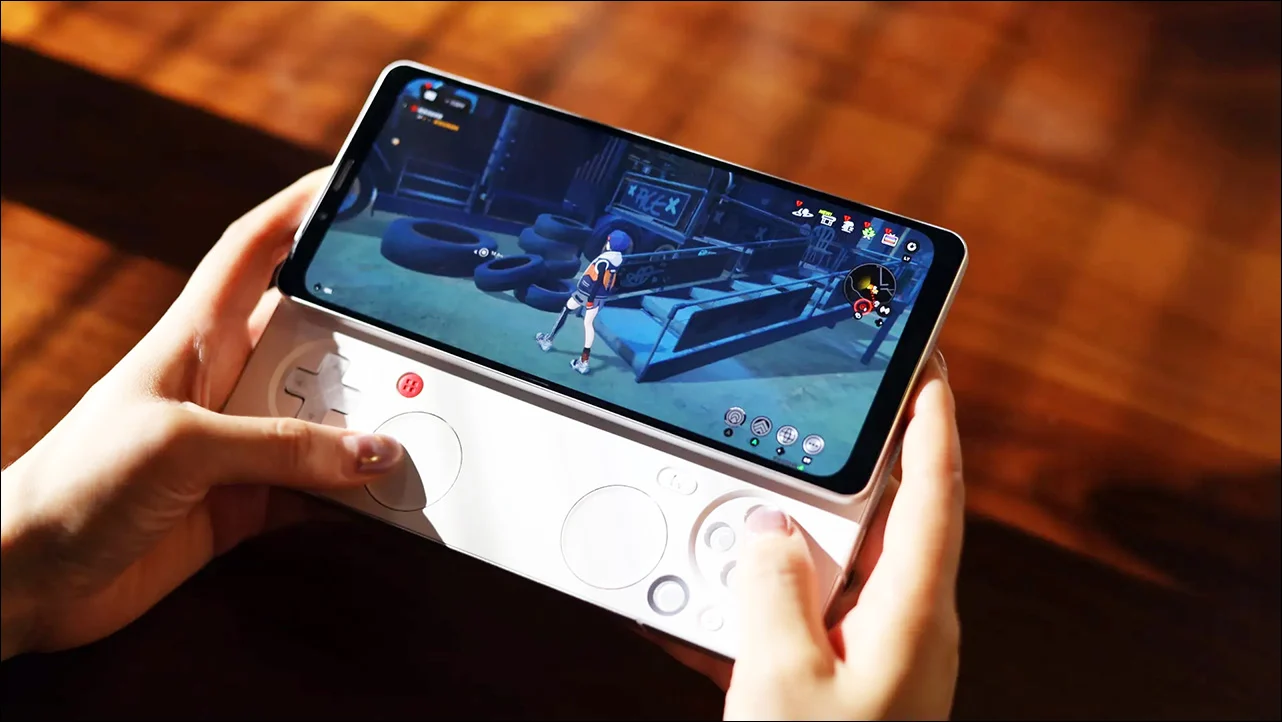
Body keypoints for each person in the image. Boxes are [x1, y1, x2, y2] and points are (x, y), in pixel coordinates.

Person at [0, 170, 964, 720]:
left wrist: (29, 565)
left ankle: (566, 347)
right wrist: (28, 564)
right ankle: (564, 346)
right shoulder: (594, 260)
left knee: (578, 334)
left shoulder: (613, 263)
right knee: (572, 332)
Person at [535, 229, 631, 374]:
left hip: (586, 293)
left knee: (567, 309)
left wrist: (590, 300)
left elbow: (597, 281)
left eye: (609, 240)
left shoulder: (604, 260)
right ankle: (584, 361)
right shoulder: (617, 259)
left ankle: (548, 340)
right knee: (588, 324)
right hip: (599, 297)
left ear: (611, 243)